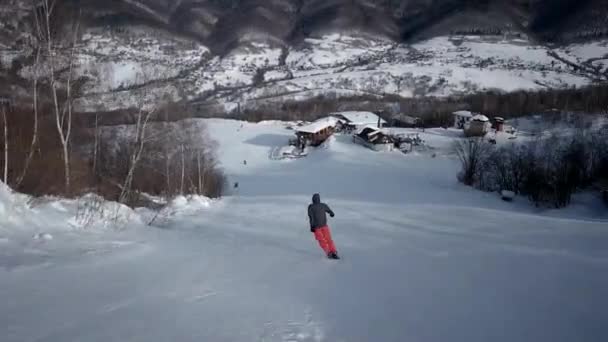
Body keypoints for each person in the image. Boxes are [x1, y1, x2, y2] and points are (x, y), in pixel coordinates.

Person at [308, 193, 339, 259]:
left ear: (313, 199)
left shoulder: (311, 207)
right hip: (324, 226)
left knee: (321, 240)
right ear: (319, 199)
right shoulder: (323, 205)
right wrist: (331, 213)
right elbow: (329, 210)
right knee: (329, 239)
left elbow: (311, 218)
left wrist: (312, 227)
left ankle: (328, 252)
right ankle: (334, 251)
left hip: (317, 227)